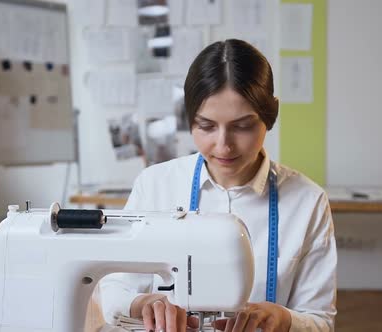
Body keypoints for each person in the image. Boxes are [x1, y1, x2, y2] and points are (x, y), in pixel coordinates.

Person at [99, 39, 337, 332]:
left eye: (243, 126)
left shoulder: (308, 202)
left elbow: (321, 321)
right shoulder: (154, 186)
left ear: (269, 117)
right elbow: (112, 292)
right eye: (207, 126)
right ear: (190, 121)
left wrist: (284, 319)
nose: (224, 145)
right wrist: (143, 304)